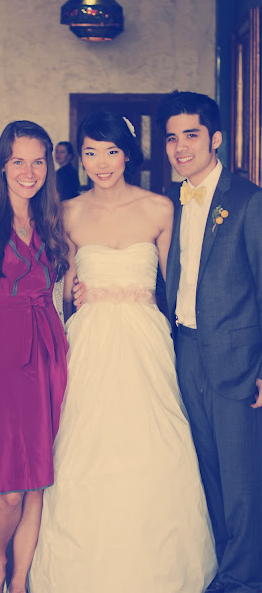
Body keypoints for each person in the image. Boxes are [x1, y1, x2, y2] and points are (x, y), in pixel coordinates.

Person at [29, 110, 217, 592]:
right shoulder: (68, 211)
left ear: (127, 154)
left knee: (152, 446)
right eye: (90, 153)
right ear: (80, 157)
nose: (101, 163)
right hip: (89, 340)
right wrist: (72, 294)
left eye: (111, 151)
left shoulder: (160, 208)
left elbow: (181, 287)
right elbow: (62, 287)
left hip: (145, 340)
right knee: (85, 447)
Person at [157, 90, 262, 593]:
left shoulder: (248, 200)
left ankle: (244, 579)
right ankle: (224, 567)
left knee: (241, 478)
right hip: (185, 350)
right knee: (207, 473)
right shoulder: (170, 202)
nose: (180, 147)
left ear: (215, 138)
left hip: (237, 359)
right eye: (172, 138)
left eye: (191, 135)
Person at [0, 120, 69, 593]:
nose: (29, 171)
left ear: (49, 166)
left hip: (47, 356)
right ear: (2, 165)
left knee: (36, 480)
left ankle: (20, 579)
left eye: (38, 161)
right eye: (18, 161)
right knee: (6, 490)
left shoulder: (53, 221)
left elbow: (60, 295)